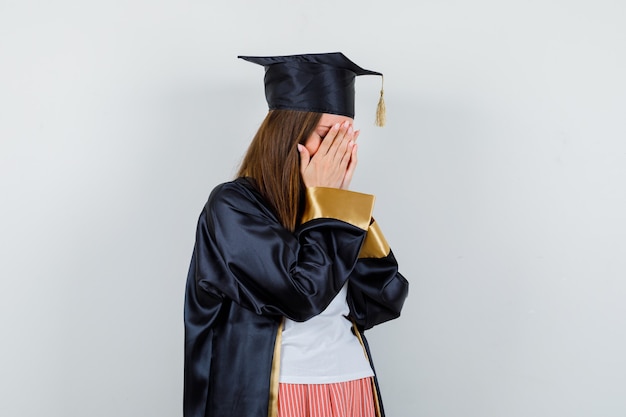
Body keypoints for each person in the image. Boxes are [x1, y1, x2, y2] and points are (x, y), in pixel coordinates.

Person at [184, 52, 409, 417]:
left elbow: (386, 296)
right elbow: (302, 296)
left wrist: (338, 208)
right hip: (274, 390)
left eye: (346, 136)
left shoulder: (334, 207)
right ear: (289, 134)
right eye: (327, 135)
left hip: (351, 381)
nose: (341, 149)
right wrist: (329, 207)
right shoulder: (233, 206)